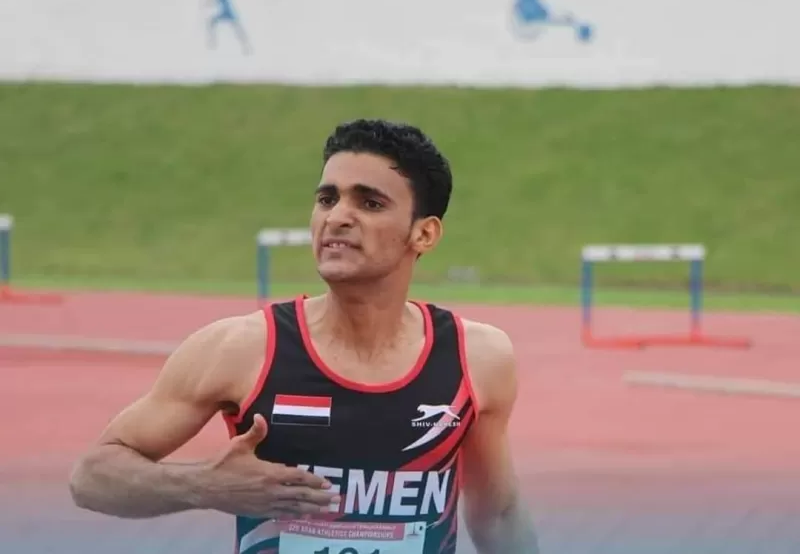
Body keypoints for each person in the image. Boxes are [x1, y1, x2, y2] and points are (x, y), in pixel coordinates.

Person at [69, 119, 540, 554]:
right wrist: (204, 485)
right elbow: (93, 477)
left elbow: (498, 515)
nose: (337, 217)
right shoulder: (241, 350)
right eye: (327, 199)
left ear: (425, 234)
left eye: (370, 203)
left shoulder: (476, 359)